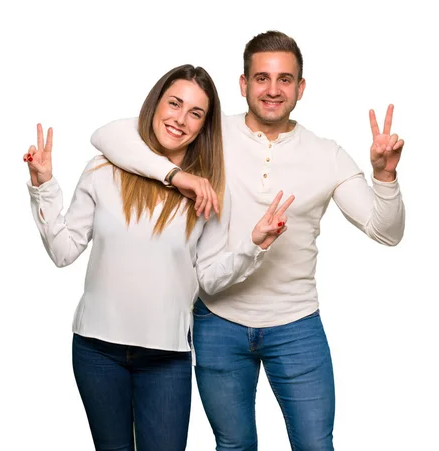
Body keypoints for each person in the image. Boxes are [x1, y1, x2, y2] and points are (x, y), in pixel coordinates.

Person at [90, 31, 405, 451]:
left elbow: (386, 230)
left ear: (301, 88)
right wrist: (177, 174)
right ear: (243, 85)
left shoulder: (326, 154)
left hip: (296, 325)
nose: (272, 90)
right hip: (218, 322)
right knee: (234, 445)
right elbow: (110, 135)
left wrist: (384, 178)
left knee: (315, 444)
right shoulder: (209, 134)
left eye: (285, 79)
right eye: (261, 78)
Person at [24, 64, 295, 451]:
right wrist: (44, 187)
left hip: (167, 357)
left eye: (195, 114)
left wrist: (255, 243)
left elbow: (210, 279)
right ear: (156, 104)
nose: (180, 120)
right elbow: (63, 251)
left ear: (204, 126)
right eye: (174, 104)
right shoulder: (103, 170)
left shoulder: (208, 193)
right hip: (97, 350)